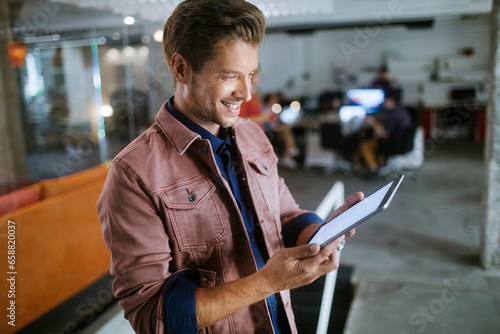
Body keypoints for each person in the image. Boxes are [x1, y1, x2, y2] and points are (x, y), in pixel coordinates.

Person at [97, 1, 363, 333]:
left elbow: (285, 215)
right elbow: (152, 316)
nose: (246, 92)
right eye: (229, 76)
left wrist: (319, 237)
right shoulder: (133, 174)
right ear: (180, 69)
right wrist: (266, 282)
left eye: (250, 74)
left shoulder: (252, 135)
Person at [359, 92, 412, 175]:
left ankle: (374, 170)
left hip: (394, 144)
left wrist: (372, 123)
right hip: (402, 142)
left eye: (385, 100)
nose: (383, 103)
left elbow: (385, 134)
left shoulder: (393, 114)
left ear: (392, 101)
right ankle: (381, 164)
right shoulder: (402, 111)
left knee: (365, 145)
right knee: (376, 138)